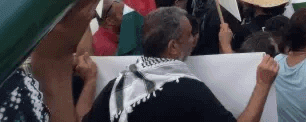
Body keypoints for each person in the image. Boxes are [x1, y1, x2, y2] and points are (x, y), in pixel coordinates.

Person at [86, 7, 279, 122]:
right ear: (173, 47)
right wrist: (262, 85)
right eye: (189, 36)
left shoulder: (117, 87)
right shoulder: (188, 90)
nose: (194, 40)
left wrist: (89, 82)